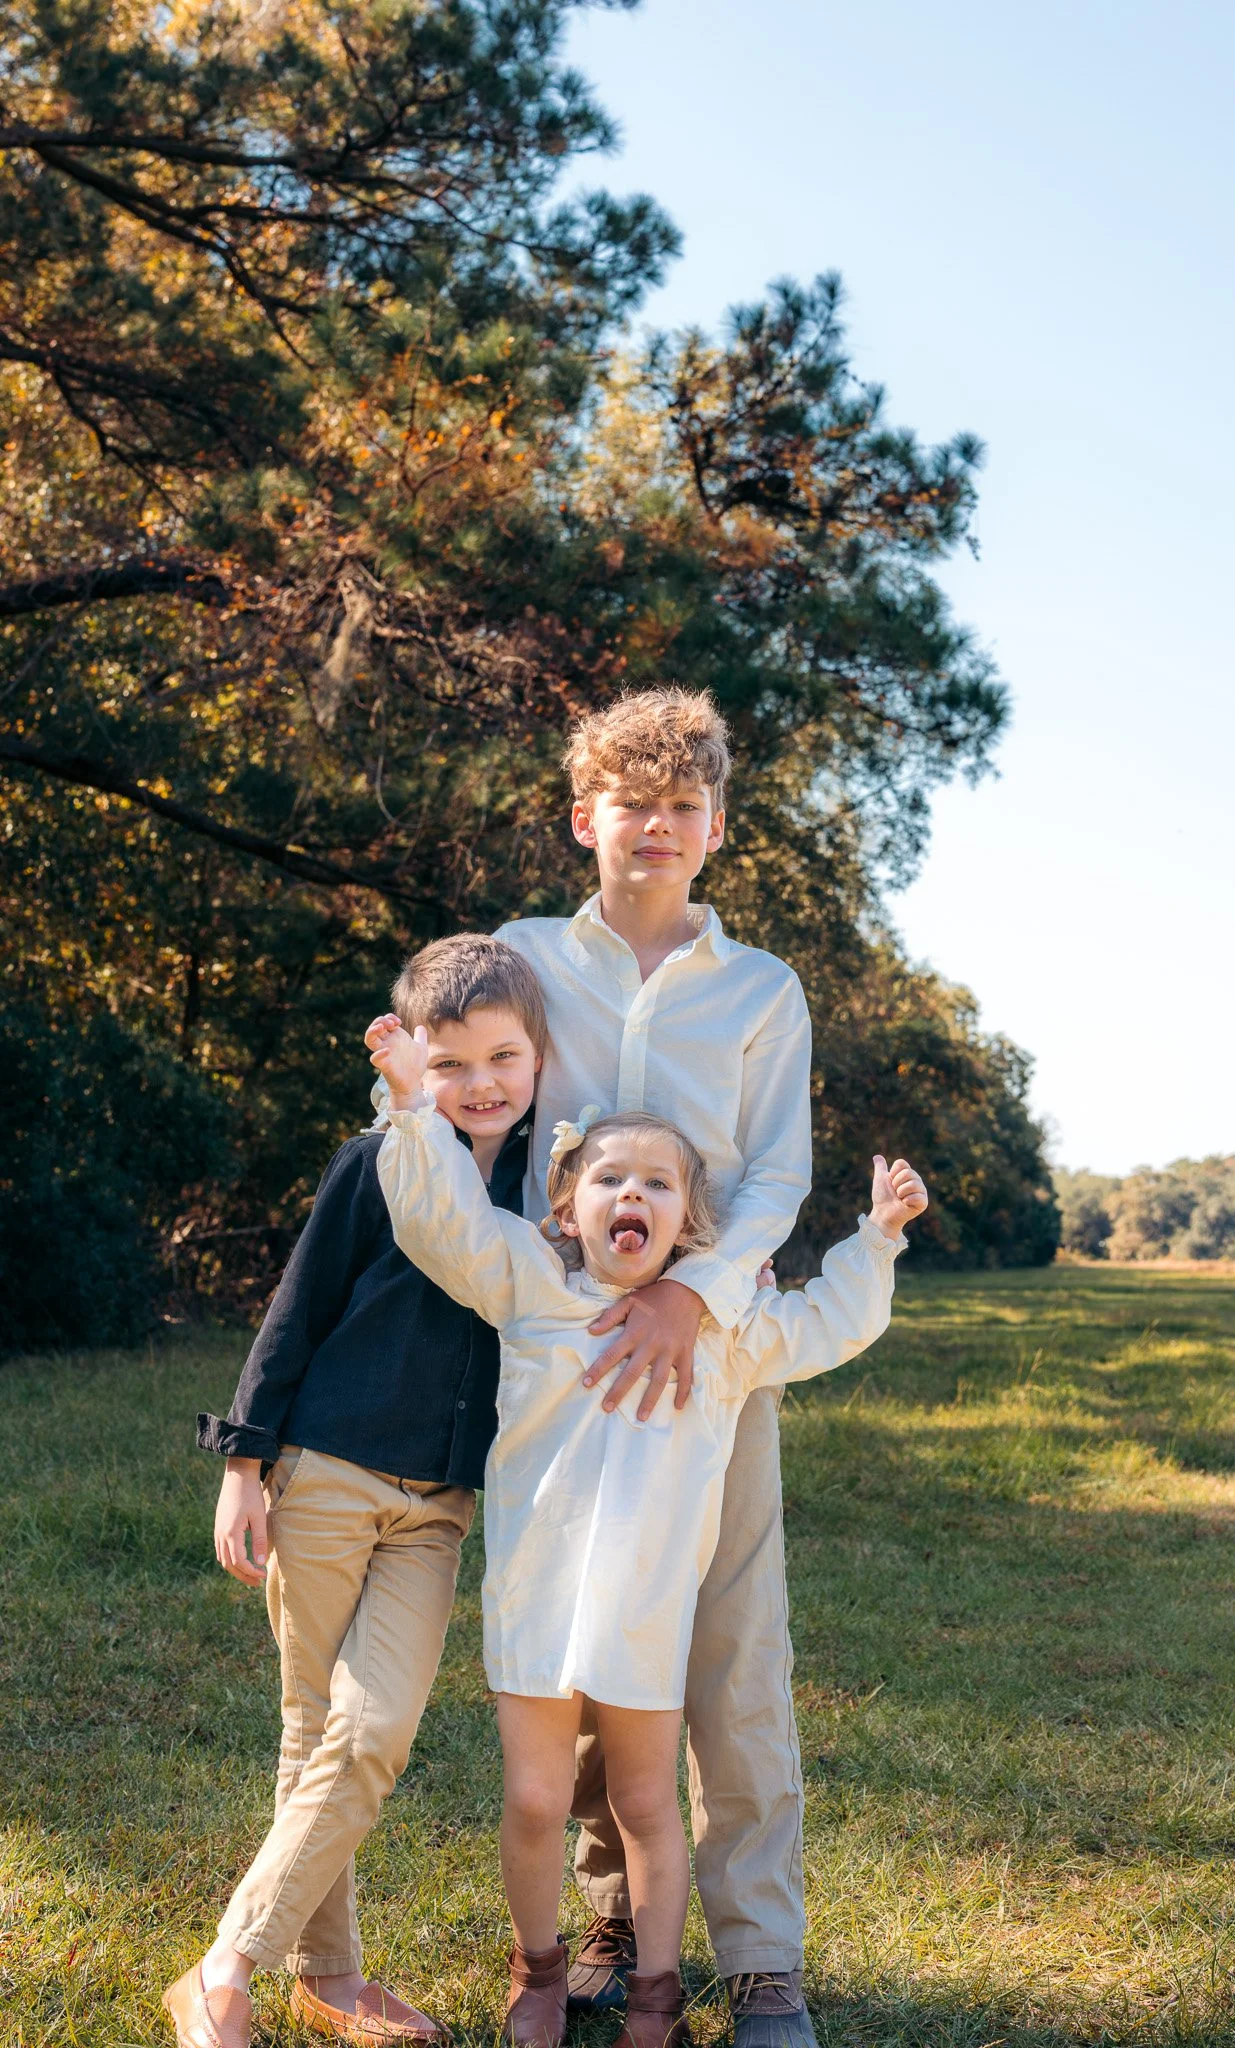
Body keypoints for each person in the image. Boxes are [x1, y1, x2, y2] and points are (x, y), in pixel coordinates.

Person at [366, 1012, 929, 2048]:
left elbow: (826, 1323)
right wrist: (410, 1102)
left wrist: (876, 1236)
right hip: (534, 1604)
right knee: (537, 1797)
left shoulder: (720, 1335)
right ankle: (537, 1966)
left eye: (659, 1183)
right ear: (567, 1207)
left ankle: (658, 1989)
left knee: (645, 1802)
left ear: (688, 1223)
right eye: (609, 1177)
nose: (633, 1193)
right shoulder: (529, 1289)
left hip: (647, 1613)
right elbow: (441, 1218)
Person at [492, 686, 824, 2044]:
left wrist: (691, 1292)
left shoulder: (760, 990)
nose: (659, 828)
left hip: (714, 1352)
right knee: (574, 1637)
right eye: (634, 804)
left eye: (685, 807)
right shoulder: (519, 956)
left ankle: (759, 1960)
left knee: (733, 1655)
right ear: (588, 818)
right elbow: (466, 1105)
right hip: (562, 1362)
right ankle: (613, 1925)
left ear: (716, 828)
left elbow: (781, 1174)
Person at [163, 937, 545, 2048]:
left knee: (372, 1724)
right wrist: (245, 1463)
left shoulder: (543, 1187)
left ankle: (227, 1961)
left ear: (538, 1056)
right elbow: (295, 1309)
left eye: (503, 1057)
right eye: (453, 1062)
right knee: (310, 1727)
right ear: (413, 1066)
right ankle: (326, 1975)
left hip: (437, 1504)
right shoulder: (371, 1160)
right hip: (324, 1469)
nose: (480, 1082)